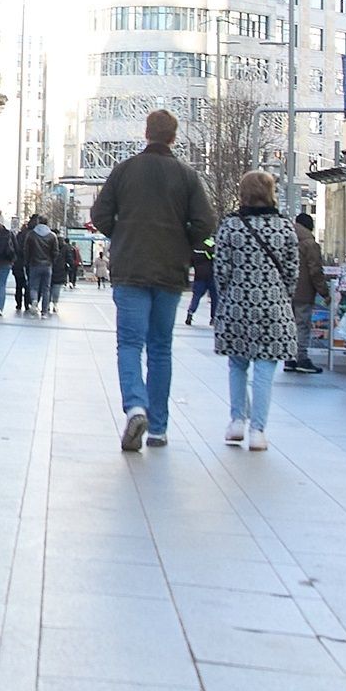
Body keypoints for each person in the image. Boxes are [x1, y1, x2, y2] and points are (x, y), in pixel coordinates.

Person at [89, 108, 218, 451]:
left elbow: (99, 214)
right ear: (173, 137)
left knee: (129, 344)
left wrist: (122, 234)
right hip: (170, 272)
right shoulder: (187, 176)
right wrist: (183, 241)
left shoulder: (124, 171)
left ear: (146, 133)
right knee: (160, 347)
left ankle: (135, 406)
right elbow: (206, 222)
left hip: (130, 269)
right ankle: (158, 427)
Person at [214, 171, 299, 451]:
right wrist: (280, 295)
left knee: (237, 365)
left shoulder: (230, 226)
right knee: (264, 370)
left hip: (237, 305)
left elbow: (221, 271)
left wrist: (230, 295)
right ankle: (258, 431)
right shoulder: (285, 227)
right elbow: (291, 272)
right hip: (273, 308)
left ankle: (237, 420)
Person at [286, 211, 331, 374]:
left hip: (285, 291)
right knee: (302, 325)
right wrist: (325, 292)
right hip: (303, 291)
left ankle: (289, 358)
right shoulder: (309, 243)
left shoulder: (285, 237)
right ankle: (302, 358)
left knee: (289, 325)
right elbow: (315, 270)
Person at [23, 214, 60, 317]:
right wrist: (52, 262)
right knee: (46, 289)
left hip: (34, 264)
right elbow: (55, 252)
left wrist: (27, 262)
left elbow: (26, 250)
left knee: (33, 287)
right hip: (47, 265)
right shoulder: (52, 236)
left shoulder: (31, 234)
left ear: (38, 222)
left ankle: (34, 301)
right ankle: (44, 312)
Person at [185, 235, 218, 325]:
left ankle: (190, 313)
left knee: (196, 296)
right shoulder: (210, 244)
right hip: (211, 275)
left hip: (199, 276)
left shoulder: (195, 246)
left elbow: (190, 262)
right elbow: (216, 256)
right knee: (214, 298)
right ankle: (213, 318)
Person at [0, 212, 16, 316]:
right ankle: (0, 308)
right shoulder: (8, 233)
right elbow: (16, 247)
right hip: (5, 262)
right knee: (1, 285)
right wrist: (13, 259)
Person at [12, 215, 34, 312]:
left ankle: (18, 304)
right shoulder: (31, 235)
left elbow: (15, 249)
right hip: (28, 264)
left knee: (19, 285)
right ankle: (27, 304)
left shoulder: (19, 236)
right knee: (28, 285)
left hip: (18, 264)